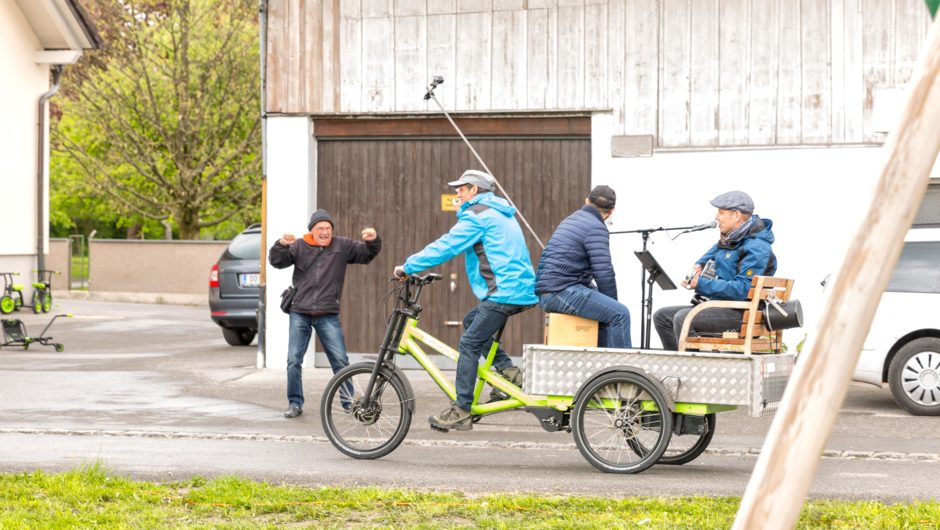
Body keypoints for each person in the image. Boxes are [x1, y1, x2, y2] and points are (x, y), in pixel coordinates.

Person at [394, 169, 537, 432]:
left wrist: (409, 266)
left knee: (469, 344)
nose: (457, 192)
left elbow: (446, 246)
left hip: (504, 291)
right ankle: (508, 372)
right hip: (520, 288)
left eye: (462, 187)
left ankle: (461, 408)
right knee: (472, 321)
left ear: (475, 190)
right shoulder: (501, 212)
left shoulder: (478, 215)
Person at [269, 209, 381, 418]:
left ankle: (349, 404)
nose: (324, 232)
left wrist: (373, 241)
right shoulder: (299, 245)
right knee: (294, 360)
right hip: (299, 312)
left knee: (340, 360)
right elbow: (277, 262)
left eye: (328, 228)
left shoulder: (342, 246)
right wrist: (281, 245)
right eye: (320, 228)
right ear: (312, 230)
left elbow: (366, 255)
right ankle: (295, 403)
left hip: (327, 313)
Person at [653, 191, 776, 351]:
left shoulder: (757, 248)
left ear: (736, 215)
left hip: (742, 313)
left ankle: (693, 370)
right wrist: (699, 265)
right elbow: (714, 252)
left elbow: (744, 289)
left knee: (683, 319)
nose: (716, 217)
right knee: (662, 316)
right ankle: (678, 367)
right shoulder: (732, 238)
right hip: (724, 306)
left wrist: (701, 284)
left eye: (721, 212)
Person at [535, 185, 632, 349]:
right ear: (612, 211)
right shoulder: (596, 227)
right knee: (620, 314)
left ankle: (603, 365)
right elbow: (603, 272)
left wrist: (607, 304)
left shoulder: (572, 219)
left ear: (587, 201)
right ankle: (624, 371)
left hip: (552, 290)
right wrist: (611, 303)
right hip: (560, 291)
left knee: (607, 313)